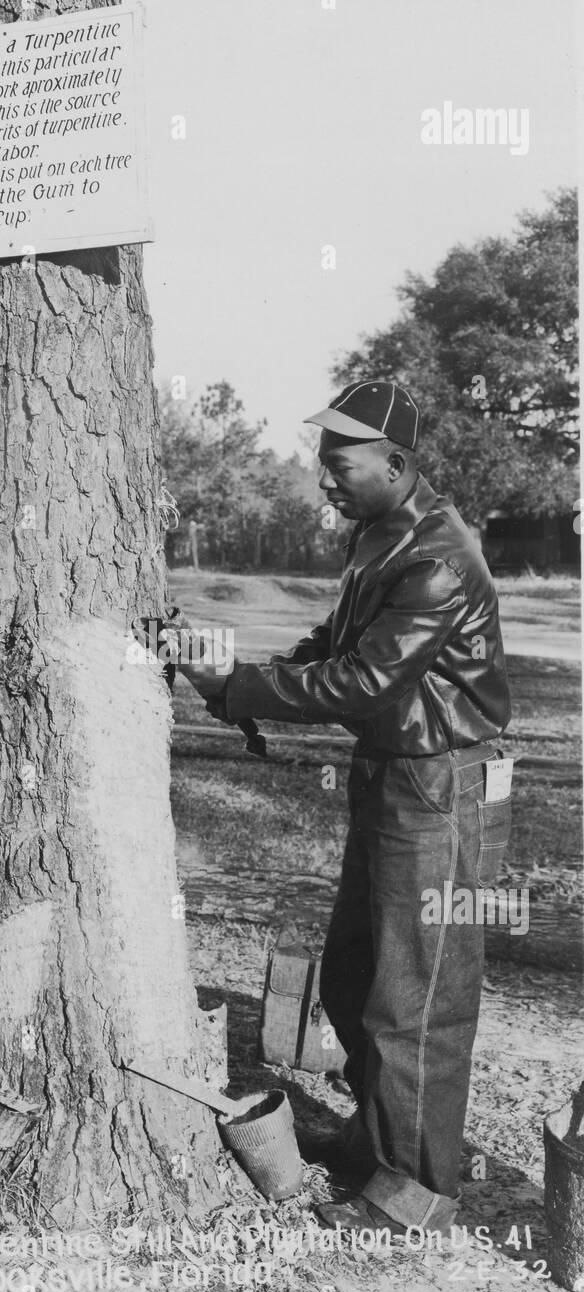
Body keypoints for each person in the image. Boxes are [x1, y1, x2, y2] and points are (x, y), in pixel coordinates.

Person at [175, 380, 512, 1236]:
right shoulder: (380, 535)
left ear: (395, 463)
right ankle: (377, 1137)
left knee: (419, 996)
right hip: (392, 779)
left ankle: (418, 1187)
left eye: (339, 464)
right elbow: (335, 647)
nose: (322, 479)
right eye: (321, 462)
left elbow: (364, 682)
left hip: (440, 790)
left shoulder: (436, 554)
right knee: (359, 973)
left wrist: (239, 685)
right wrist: (237, 674)